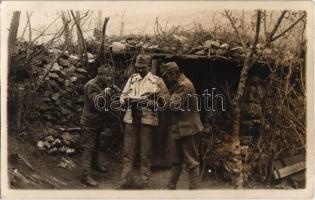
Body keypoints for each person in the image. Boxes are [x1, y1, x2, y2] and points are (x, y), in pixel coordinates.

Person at [120, 54, 169, 189]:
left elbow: (166, 101)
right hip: (131, 119)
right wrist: (126, 100)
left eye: (142, 67)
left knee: (145, 154)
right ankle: (125, 181)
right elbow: (122, 96)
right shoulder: (132, 79)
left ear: (148, 66)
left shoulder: (157, 81)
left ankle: (145, 183)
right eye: (138, 67)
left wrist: (150, 102)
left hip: (147, 120)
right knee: (128, 152)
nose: (140, 70)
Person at [160, 62, 204, 190]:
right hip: (182, 128)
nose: (166, 79)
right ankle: (171, 186)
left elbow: (173, 105)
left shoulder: (184, 85)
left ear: (174, 73)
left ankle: (193, 192)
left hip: (189, 129)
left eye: (167, 76)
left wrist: (163, 91)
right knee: (176, 160)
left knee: (191, 162)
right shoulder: (179, 84)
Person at [80, 64, 119, 187]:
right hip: (89, 122)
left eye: (110, 75)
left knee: (96, 145)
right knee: (88, 147)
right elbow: (96, 102)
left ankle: (94, 164)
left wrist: (115, 91)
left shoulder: (103, 84)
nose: (109, 78)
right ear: (100, 75)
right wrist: (105, 93)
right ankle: (85, 175)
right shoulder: (91, 85)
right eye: (107, 75)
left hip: (98, 121)